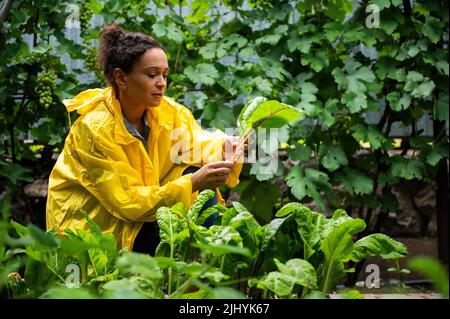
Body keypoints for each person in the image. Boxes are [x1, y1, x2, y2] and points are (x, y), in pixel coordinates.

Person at [46, 24, 244, 255]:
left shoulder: (168, 112)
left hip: (142, 209)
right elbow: (127, 202)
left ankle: (203, 273)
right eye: (152, 74)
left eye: (164, 74)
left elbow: (194, 145)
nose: (161, 82)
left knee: (198, 185)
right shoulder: (95, 130)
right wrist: (192, 184)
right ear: (120, 78)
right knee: (192, 184)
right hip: (96, 225)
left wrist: (224, 148)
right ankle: (183, 276)